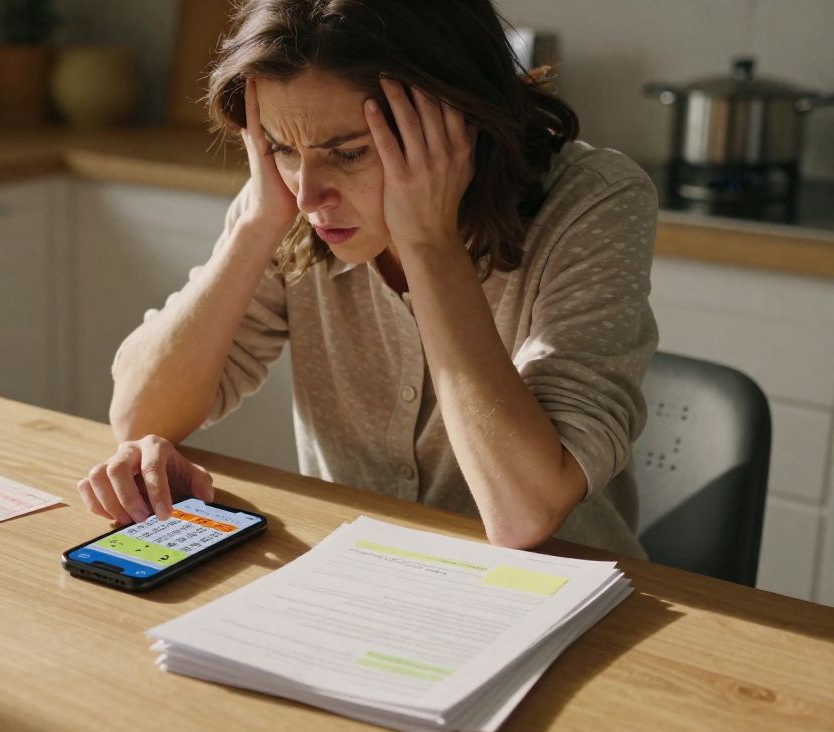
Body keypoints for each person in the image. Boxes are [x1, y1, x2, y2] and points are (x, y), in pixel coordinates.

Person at [76, 0, 658, 557]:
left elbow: (522, 512)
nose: (307, 195)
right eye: (280, 147)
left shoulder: (593, 203)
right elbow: (139, 417)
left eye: (350, 153)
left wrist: (428, 243)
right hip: (361, 577)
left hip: (568, 596)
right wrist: (256, 221)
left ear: (457, 122)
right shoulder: (287, 204)